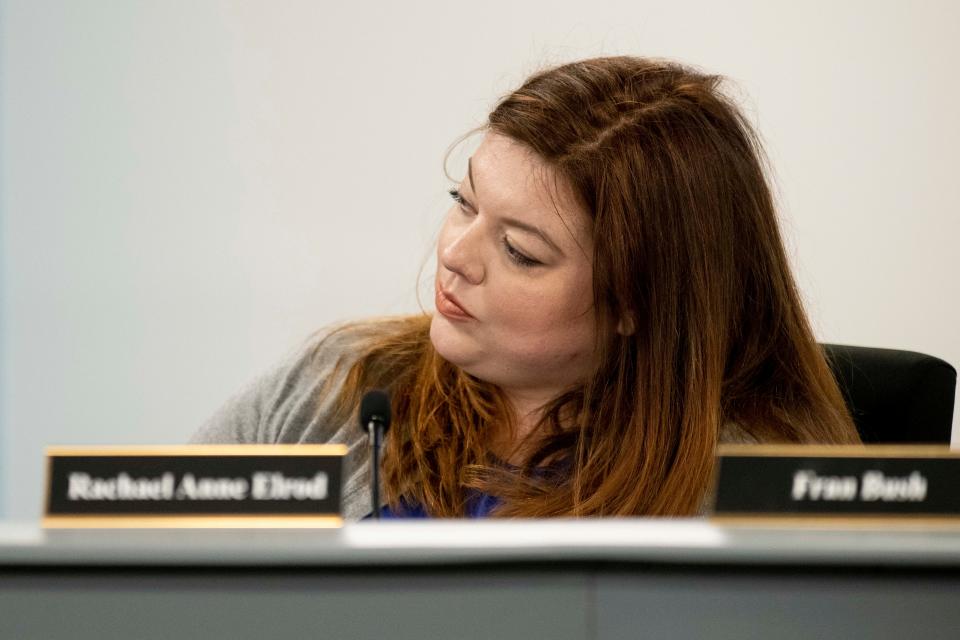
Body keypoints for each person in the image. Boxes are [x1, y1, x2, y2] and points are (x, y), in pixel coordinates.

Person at [191, 55, 861, 520]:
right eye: (464, 202)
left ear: (637, 301)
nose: (454, 254)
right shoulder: (340, 381)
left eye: (519, 251)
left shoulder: (760, 493)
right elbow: (149, 571)